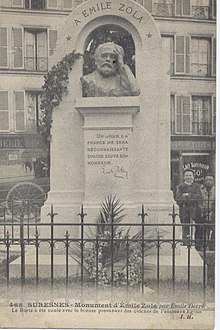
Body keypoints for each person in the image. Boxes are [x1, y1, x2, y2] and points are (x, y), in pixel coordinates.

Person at [175, 169, 202, 247]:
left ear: (193, 177)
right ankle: (186, 243)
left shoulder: (197, 186)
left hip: (195, 209)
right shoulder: (180, 187)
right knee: (185, 227)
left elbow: (199, 198)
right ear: (184, 177)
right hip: (184, 210)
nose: (188, 177)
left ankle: (198, 244)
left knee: (198, 226)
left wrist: (188, 195)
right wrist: (192, 197)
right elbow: (178, 199)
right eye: (187, 175)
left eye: (190, 175)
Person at [201, 175, 215, 251]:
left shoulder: (216, 191)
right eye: (207, 180)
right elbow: (200, 203)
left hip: (214, 214)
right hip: (204, 214)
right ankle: (204, 246)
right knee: (204, 231)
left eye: (210, 180)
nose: (209, 182)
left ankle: (213, 246)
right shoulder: (202, 191)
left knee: (215, 231)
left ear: (213, 181)